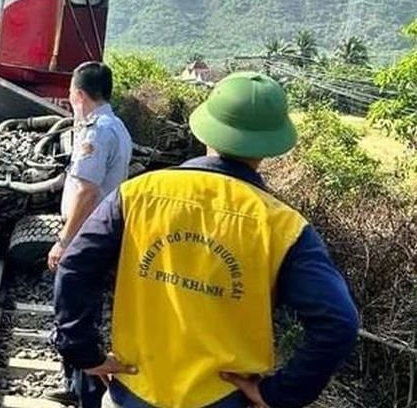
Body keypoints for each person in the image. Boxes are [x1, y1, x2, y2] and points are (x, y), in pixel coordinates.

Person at [53, 71, 360, 408]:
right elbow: (339, 322)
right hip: (224, 398)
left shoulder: (136, 195)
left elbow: (74, 266)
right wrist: (280, 393)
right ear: (273, 145)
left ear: (205, 127)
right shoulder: (284, 227)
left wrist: (83, 351)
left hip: (135, 389)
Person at [47, 61, 132, 407]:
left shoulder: (98, 132)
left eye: (70, 94)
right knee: (81, 312)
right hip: (100, 232)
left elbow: (87, 191)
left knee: (75, 312)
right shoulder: (117, 126)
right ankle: (78, 385)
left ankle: (87, 394)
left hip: (88, 235)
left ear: (79, 95)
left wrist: (64, 241)